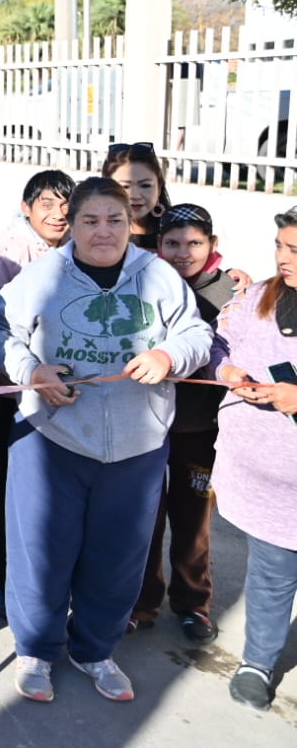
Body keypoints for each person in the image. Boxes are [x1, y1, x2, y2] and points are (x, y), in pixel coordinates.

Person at [0, 176, 212, 705]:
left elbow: (198, 333)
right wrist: (31, 369)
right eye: (91, 220)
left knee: (120, 554)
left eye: (114, 220)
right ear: (74, 223)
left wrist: (168, 357)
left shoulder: (157, 275)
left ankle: (95, 651)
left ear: (130, 222)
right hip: (51, 438)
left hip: (138, 442)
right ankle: (36, 649)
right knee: (41, 549)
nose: (103, 231)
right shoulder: (43, 275)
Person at [130, 203, 237, 642]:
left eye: (194, 243)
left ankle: (194, 603)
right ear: (158, 244)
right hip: (150, 424)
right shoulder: (143, 285)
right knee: (146, 519)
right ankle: (141, 602)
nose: (182, 252)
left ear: (213, 246)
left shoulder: (232, 293)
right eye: (172, 243)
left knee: (194, 521)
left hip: (203, 430)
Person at [0, 168, 74, 618]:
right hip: (8, 394)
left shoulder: (77, 247)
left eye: (65, 205)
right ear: (27, 208)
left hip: (64, 396)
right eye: (46, 205)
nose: (58, 214)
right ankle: (2, 575)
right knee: (6, 486)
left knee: (58, 492)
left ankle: (51, 579)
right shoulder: (6, 251)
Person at [210, 204, 297, 712]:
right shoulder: (259, 297)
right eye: (281, 247)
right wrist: (228, 370)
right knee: (271, 572)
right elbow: (221, 344)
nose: (284, 259)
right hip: (269, 486)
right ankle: (257, 662)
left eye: (296, 252)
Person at [101, 141, 171, 252]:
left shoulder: (179, 233)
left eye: (145, 185)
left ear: (159, 188)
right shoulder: (92, 235)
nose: (135, 196)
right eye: (124, 186)